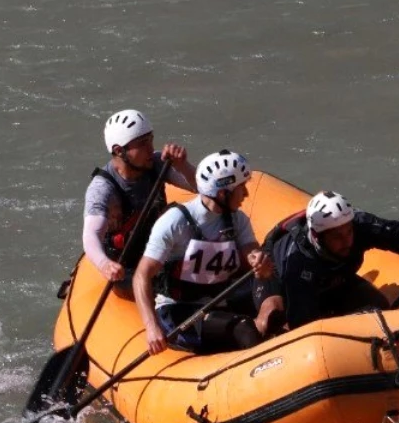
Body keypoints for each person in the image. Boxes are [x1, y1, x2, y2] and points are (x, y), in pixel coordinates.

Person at [253, 190, 399, 332]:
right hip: (277, 280)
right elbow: (304, 327)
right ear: (318, 238)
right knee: (271, 317)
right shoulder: (299, 262)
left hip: (334, 280)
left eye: (349, 232)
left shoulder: (360, 227)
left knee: (378, 309)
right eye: (338, 237)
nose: (347, 241)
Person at [133, 150, 275, 355]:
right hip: (179, 311)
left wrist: (259, 261)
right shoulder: (175, 222)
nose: (245, 194)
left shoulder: (237, 219)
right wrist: (151, 327)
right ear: (222, 194)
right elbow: (142, 275)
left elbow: (250, 250)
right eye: (241, 188)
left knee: (277, 306)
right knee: (244, 329)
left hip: (220, 298)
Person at [81, 109, 196, 292]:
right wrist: (104, 264)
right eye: (143, 144)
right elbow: (91, 235)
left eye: (150, 140)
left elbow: (202, 188)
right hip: (128, 265)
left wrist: (184, 166)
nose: (151, 148)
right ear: (119, 151)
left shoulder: (156, 162)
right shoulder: (103, 189)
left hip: (162, 249)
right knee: (172, 287)